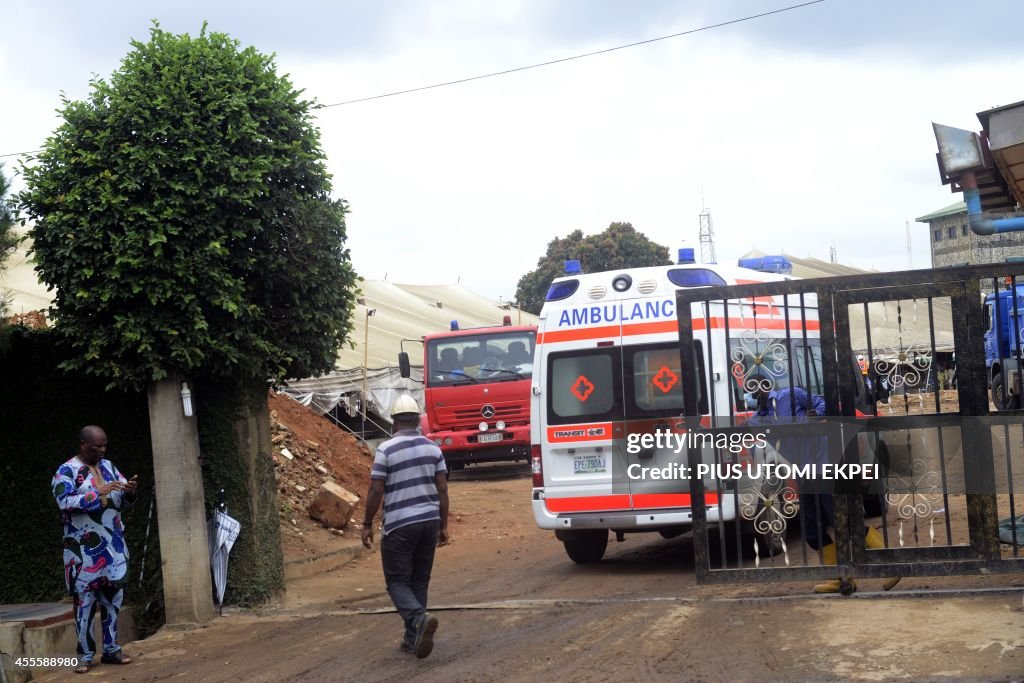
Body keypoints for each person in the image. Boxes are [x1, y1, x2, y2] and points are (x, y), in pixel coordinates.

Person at [748, 387, 898, 593]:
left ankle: (889, 565)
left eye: (757, 386)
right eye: (749, 389)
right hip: (804, 473)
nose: (754, 392)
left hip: (825, 464)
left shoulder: (790, 394)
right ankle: (841, 578)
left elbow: (824, 404)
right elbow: (736, 432)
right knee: (812, 531)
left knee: (842, 522)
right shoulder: (758, 420)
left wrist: (816, 415)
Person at [362, 395, 450, 658]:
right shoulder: (434, 449)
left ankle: (417, 619)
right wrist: (443, 525)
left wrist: (366, 523)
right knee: (419, 580)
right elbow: (443, 488)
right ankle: (413, 638)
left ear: (394, 422)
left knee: (398, 582)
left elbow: (376, 489)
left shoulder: (386, 450)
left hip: (400, 525)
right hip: (429, 521)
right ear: (417, 420)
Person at [51, 426, 138, 673]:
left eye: (104, 445)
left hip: (113, 549)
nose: (101, 450)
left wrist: (130, 491)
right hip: (82, 552)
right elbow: (64, 502)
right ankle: (85, 656)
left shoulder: (109, 467)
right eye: (96, 446)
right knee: (85, 604)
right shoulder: (65, 471)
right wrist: (95, 492)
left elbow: (121, 500)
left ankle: (112, 651)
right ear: (82, 444)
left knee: (112, 601)